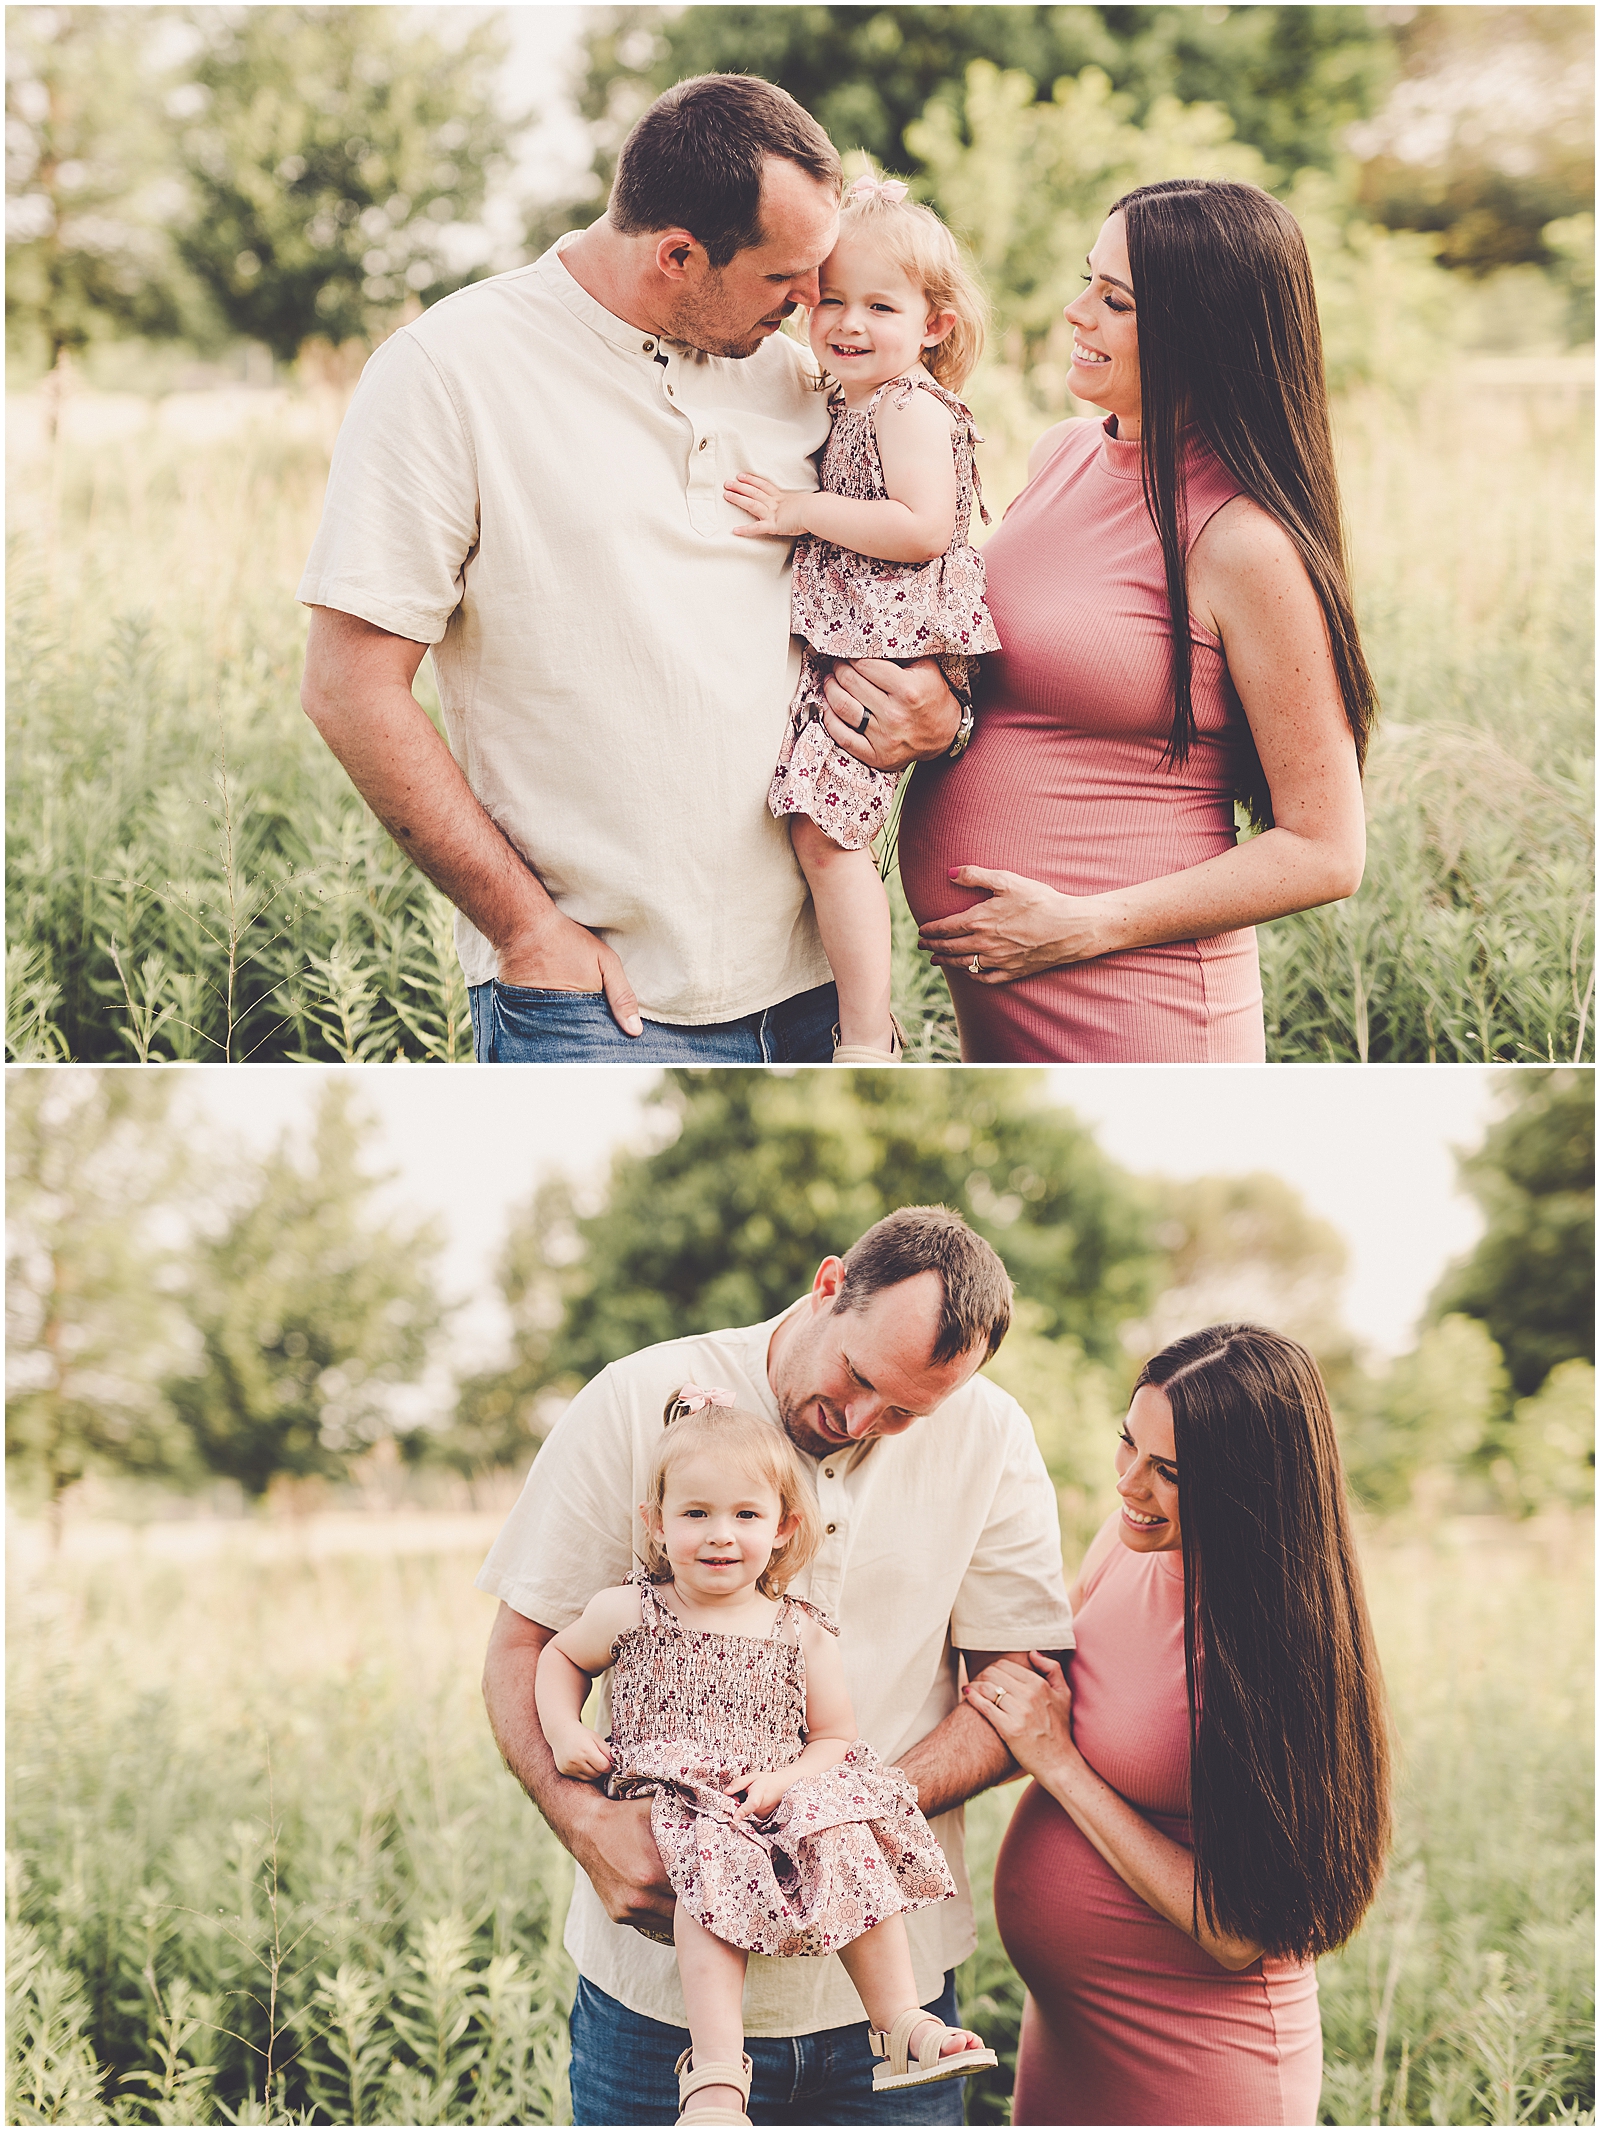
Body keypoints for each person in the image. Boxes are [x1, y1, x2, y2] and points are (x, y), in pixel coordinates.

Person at [296, 75, 966, 1066]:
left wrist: (940, 710)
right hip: (599, 1008)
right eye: (788, 278)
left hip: (819, 994)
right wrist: (526, 929)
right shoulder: (449, 371)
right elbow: (348, 687)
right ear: (678, 256)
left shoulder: (802, 376)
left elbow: (909, 577)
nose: (809, 304)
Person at [476, 1206, 1075, 2126]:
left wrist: (831, 1815)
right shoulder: (638, 1397)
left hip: (888, 1993)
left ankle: (900, 2019)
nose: (864, 1419)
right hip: (655, 2001)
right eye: (859, 1377)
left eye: (908, 1412)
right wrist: (585, 1820)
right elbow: (526, 1649)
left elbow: (1016, 1695)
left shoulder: (992, 1437)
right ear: (829, 1284)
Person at [899, 179, 1377, 1062]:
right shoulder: (1063, 454)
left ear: (1203, 332)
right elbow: (1018, 671)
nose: (1076, 312)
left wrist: (1085, 924)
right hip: (1009, 998)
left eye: (1115, 301)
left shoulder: (1245, 541)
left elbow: (1325, 848)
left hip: (1140, 1003)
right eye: (1089, 281)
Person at [964, 1323, 1393, 2126]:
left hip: (1201, 2062)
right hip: (1068, 2037)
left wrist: (1059, 1765)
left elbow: (1239, 1933)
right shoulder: (1127, 1546)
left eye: (1169, 1471)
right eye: (1128, 1444)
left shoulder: (1273, 1644)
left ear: (1248, 1487)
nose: (1130, 1483)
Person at [535, 1389, 997, 2127]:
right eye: (696, 1514)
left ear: (783, 1527)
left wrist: (786, 1781)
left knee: (844, 1834)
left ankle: (902, 2024)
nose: (721, 1535)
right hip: (685, 1799)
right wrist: (563, 1728)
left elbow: (833, 1739)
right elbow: (560, 1656)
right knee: (711, 1875)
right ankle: (717, 2077)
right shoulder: (632, 1610)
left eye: (745, 1515)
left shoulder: (802, 1631)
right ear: (656, 1523)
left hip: (773, 1792)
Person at [725, 177, 998, 1065]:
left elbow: (921, 529)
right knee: (818, 832)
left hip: (896, 653)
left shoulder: (911, 407)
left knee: (828, 837)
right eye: (830, 299)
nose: (848, 321)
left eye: (880, 305)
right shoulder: (853, 399)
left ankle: (865, 1032)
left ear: (935, 326)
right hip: (865, 647)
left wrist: (801, 510)